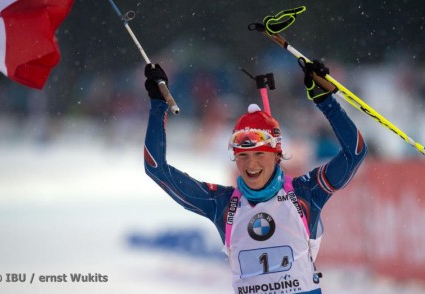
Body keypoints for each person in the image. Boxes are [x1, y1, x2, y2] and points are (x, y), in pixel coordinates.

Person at [143, 60, 367, 294]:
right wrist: (158, 105)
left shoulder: (305, 192)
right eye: (242, 156)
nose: (251, 164)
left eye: (260, 153)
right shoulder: (222, 203)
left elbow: (355, 152)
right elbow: (156, 168)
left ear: (277, 156)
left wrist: (325, 101)